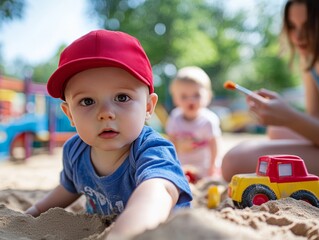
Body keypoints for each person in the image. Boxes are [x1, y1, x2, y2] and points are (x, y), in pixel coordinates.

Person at [25, 29, 192, 239]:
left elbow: (157, 192)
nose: (105, 113)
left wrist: (124, 234)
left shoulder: (151, 149)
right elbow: (68, 188)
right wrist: (35, 212)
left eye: (122, 97)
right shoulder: (74, 151)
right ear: (70, 114)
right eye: (87, 101)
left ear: (148, 107)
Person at [221, 0, 319, 182]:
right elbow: (315, 119)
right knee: (276, 130)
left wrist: (291, 117)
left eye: (308, 26)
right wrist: (284, 117)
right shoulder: (309, 62)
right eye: (292, 26)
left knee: (235, 161)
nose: (298, 36)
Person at [165, 66, 222, 180]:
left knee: (207, 184)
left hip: (203, 166)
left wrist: (213, 164)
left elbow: (214, 143)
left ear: (208, 96)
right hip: (181, 164)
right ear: (175, 99)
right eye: (184, 96)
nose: (191, 100)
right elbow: (170, 141)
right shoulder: (175, 117)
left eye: (197, 95)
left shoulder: (208, 120)